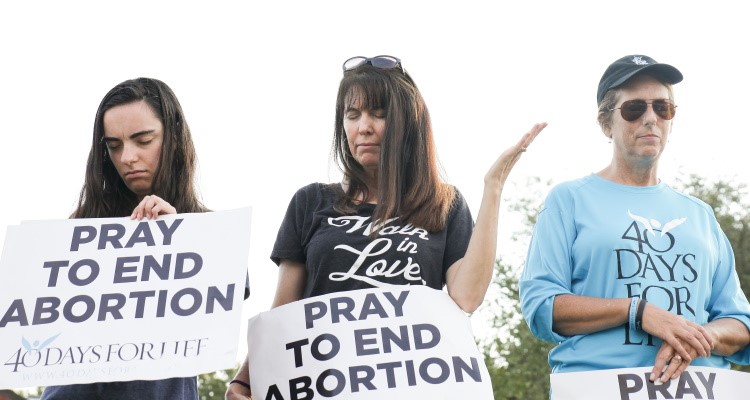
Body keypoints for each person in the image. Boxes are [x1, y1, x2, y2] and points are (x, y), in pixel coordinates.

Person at [225, 55, 546, 399]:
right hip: (326, 387)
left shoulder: (443, 204)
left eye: (378, 114)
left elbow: (466, 297)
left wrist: (493, 187)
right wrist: (243, 381)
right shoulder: (311, 202)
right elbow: (283, 313)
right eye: (352, 115)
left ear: (407, 124)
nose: (364, 126)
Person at [519, 54, 750, 386]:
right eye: (634, 109)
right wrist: (638, 312)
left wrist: (700, 337)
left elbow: (740, 323)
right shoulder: (568, 200)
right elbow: (541, 306)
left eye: (663, 107)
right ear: (605, 123)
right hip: (599, 386)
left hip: (698, 389)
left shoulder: (701, 214)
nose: (651, 118)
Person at [41, 77, 211, 400]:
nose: (127, 158)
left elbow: (213, 332)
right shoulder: (78, 229)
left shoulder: (211, 232)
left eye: (143, 140)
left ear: (173, 137)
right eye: (114, 146)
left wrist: (179, 240)